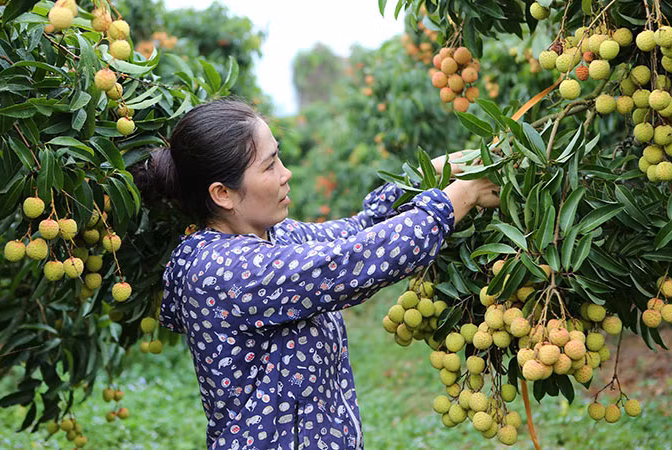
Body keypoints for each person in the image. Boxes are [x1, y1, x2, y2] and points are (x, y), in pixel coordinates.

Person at [135, 98, 499, 449]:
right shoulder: (224, 271)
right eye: (270, 165)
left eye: (279, 157)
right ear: (222, 194)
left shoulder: (277, 236)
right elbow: (355, 262)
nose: (286, 173)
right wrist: (462, 196)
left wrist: (431, 173)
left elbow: (360, 230)